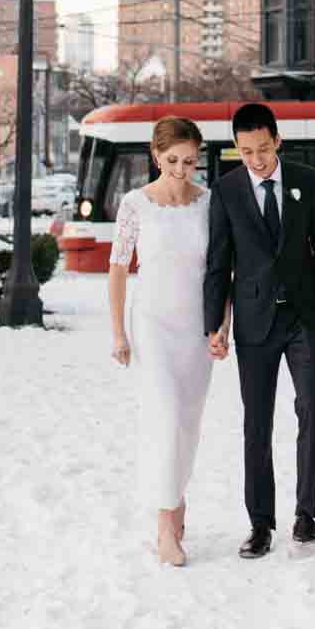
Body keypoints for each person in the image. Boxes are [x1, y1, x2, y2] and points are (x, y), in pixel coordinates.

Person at [203, 102, 315, 560]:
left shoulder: (306, 181)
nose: (257, 159)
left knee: (311, 408)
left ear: (277, 141)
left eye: (263, 149)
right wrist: (215, 325)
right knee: (257, 423)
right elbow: (218, 263)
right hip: (254, 323)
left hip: (304, 318)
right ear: (236, 148)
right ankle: (260, 524)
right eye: (246, 151)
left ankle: (305, 516)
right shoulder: (226, 190)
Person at [108, 116, 219, 567]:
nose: (180, 169)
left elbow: (220, 271)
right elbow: (117, 268)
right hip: (152, 323)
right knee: (166, 417)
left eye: (190, 161)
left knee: (187, 424)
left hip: (196, 326)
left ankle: (178, 502)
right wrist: (118, 333)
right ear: (156, 156)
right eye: (172, 160)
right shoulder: (135, 204)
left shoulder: (209, 203)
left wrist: (220, 326)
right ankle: (164, 527)